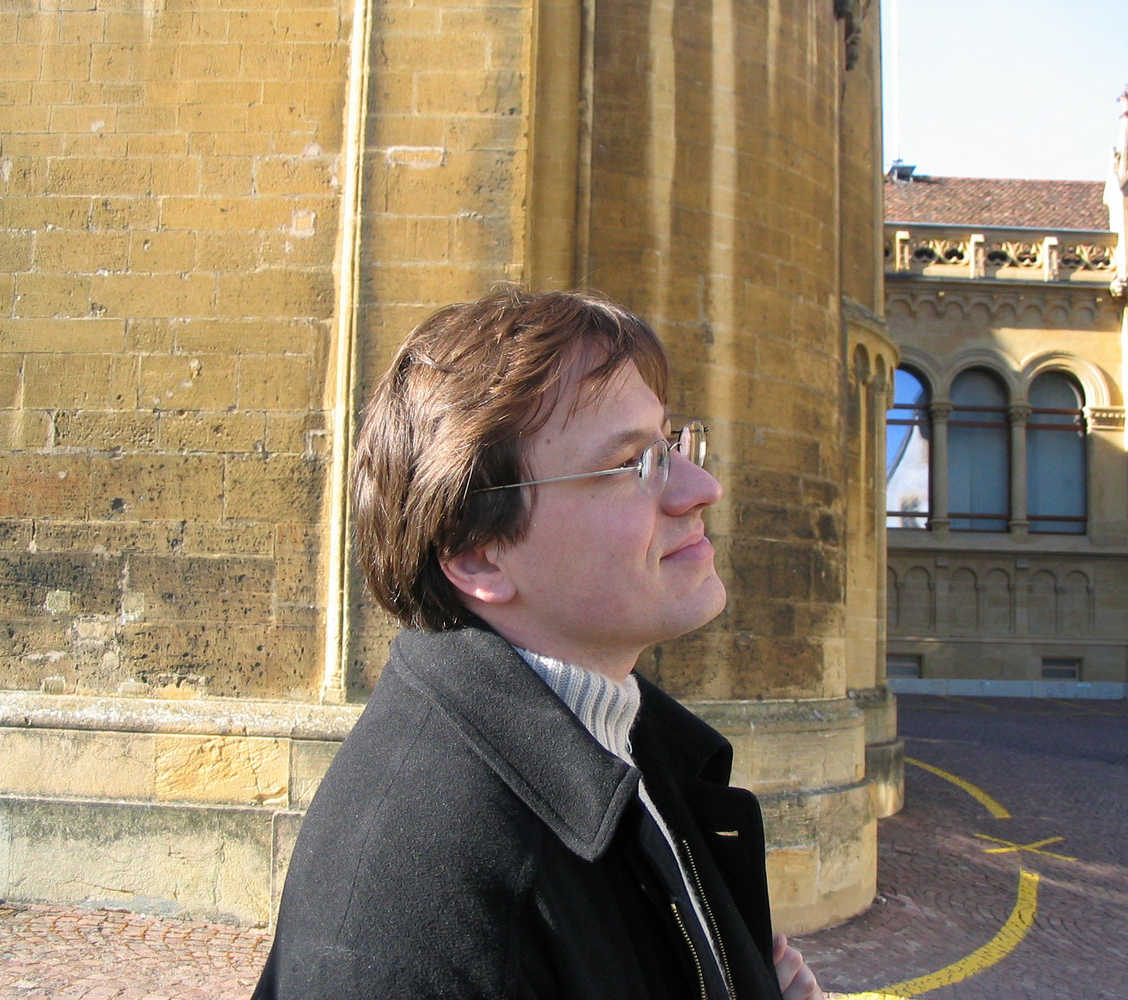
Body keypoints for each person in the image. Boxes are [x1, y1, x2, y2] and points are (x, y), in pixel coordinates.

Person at [253, 288, 823, 1000]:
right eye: (633, 463)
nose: (701, 487)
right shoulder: (416, 902)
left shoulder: (625, 743)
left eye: (671, 443)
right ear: (479, 556)